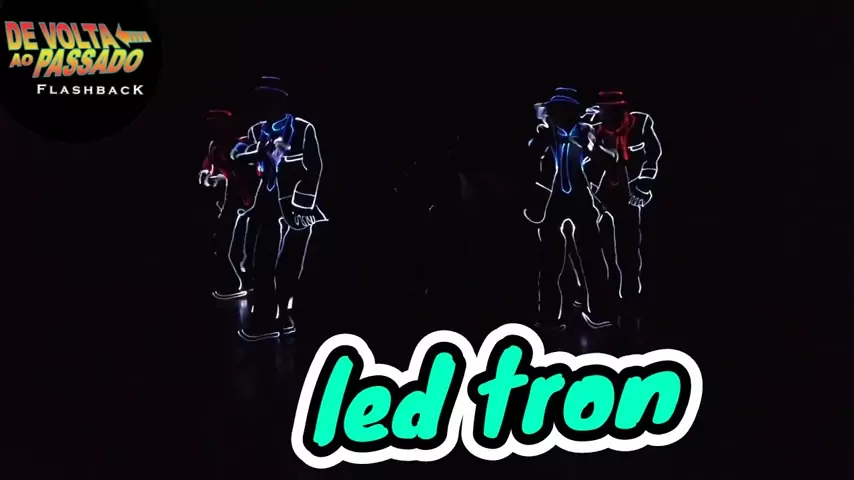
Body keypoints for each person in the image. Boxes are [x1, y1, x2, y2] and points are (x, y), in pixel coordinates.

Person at [232, 76, 328, 341]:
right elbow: (237, 155)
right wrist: (257, 153)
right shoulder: (256, 131)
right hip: (266, 205)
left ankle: (283, 318)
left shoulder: (302, 128)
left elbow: (315, 167)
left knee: (288, 266)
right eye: (260, 98)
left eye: (267, 98)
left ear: (279, 100)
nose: (262, 103)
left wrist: (302, 205)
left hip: (294, 208)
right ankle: (267, 319)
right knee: (262, 262)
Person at [523, 87, 613, 332]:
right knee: (550, 259)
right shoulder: (549, 133)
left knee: (592, 256)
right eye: (554, 110)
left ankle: (599, 312)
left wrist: (590, 148)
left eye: (560, 109)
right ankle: (549, 316)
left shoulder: (585, 131)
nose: (556, 114)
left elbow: (605, 159)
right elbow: (530, 155)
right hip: (556, 197)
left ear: (571, 110)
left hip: (581, 196)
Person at [581, 90, 662, 330]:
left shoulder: (640, 123)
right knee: (601, 249)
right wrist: (591, 192)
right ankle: (607, 302)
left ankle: (630, 299)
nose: (605, 114)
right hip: (602, 194)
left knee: (629, 247)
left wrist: (644, 183)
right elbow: (589, 163)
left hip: (630, 193)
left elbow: (652, 154)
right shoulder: (595, 129)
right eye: (602, 109)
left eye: (610, 109)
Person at [198, 109, 262, 300]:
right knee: (224, 239)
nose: (214, 128)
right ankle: (238, 282)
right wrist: (208, 175)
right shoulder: (215, 146)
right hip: (232, 197)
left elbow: (254, 170)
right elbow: (213, 168)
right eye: (211, 125)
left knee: (239, 242)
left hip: (250, 198)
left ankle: (242, 282)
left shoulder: (242, 144)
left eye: (217, 124)